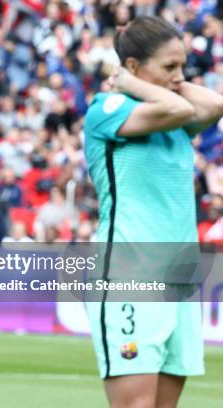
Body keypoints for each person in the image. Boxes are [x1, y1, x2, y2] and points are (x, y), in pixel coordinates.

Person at [83, 17, 223, 408]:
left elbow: (214, 104)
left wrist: (154, 81)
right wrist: (133, 87)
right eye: (169, 67)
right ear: (131, 67)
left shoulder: (175, 118)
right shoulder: (108, 108)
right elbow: (179, 105)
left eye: (182, 67)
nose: (178, 77)